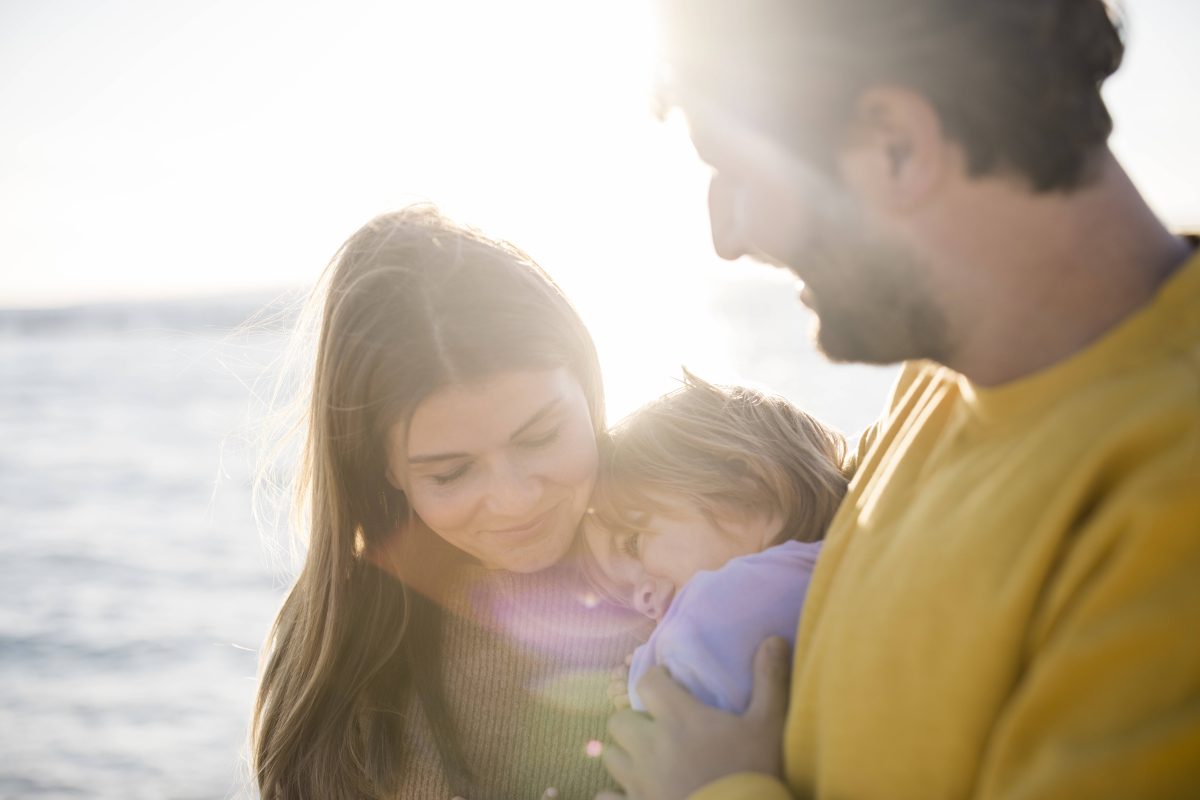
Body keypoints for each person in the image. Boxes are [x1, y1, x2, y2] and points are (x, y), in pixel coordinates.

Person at [599, 1, 1200, 798]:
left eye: (737, 171)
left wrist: (718, 789)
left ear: (896, 145)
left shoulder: (1169, 507)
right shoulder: (947, 380)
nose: (726, 236)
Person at [251, 206, 647, 799]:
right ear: (386, 470)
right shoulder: (336, 645)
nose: (515, 501)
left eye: (540, 437)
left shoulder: (697, 557)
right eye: (451, 473)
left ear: (588, 388)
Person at [579, 371, 847, 713]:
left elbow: (675, 703)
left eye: (633, 544)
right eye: (625, 592)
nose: (641, 602)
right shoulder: (823, 570)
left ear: (744, 486)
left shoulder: (730, 597)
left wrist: (638, 678)